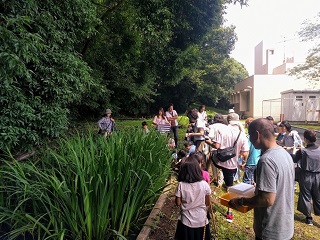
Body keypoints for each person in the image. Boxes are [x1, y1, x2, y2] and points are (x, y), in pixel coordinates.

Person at [229, 118, 294, 240]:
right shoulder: (284, 154)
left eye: (250, 135)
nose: (249, 139)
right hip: (285, 226)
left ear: (257, 135)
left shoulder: (266, 161)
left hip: (270, 230)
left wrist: (242, 201)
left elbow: (267, 199)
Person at [207, 113, 249, 222]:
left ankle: (205, 185)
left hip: (218, 161)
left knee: (209, 158)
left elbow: (216, 146)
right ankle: (229, 212)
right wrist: (242, 162)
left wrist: (208, 142)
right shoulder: (242, 134)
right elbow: (245, 153)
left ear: (228, 121)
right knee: (229, 188)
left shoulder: (222, 130)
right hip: (231, 166)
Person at [174, 157, 211, 240]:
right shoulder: (204, 184)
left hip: (186, 221)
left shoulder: (181, 185)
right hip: (202, 220)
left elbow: (178, 203)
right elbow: (207, 203)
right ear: (197, 169)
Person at [294, 129, 320, 225]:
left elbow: (294, 159)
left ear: (305, 139)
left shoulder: (303, 151)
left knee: (306, 196)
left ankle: (309, 218)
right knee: (318, 197)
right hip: (318, 175)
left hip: (306, 176)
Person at [241, 117, 261, 185]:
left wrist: (244, 162)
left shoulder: (248, 137)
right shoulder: (259, 136)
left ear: (247, 125)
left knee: (247, 182)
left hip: (250, 162)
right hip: (258, 161)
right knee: (256, 181)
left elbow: (246, 150)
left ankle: (247, 195)